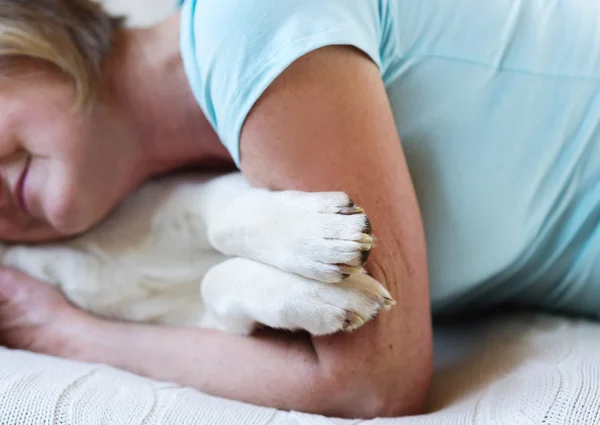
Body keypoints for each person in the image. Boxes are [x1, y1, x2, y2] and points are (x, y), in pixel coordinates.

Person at [0, 0, 599, 419]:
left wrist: (69, 338)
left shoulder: (251, 28)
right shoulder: (206, 147)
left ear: (19, 37)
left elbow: (372, 387)